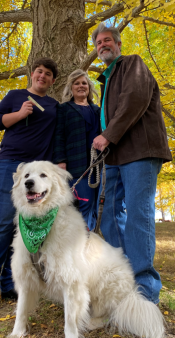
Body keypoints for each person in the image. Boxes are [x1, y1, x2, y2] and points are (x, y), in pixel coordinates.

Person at [91, 23, 172, 305]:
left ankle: (146, 293)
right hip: (113, 157)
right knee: (111, 218)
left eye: (107, 40)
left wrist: (107, 135)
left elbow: (135, 99)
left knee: (138, 216)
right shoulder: (106, 79)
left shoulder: (132, 64)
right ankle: (126, 279)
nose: (103, 45)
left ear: (118, 44)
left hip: (140, 152)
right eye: (99, 43)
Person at [0, 57, 58, 317]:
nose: (42, 76)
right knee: (1, 223)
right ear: (32, 75)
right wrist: (20, 114)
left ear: (53, 80)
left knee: (22, 225)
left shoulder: (54, 106)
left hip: (38, 170)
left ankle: (9, 284)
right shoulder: (15, 96)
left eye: (47, 74)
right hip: (11, 165)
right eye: (39, 72)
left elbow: (59, 138)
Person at [53, 69, 100, 230]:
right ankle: (80, 244)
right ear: (71, 88)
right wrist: (61, 162)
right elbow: (58, 136)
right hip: (75, 166)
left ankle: (89, 243)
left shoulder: (97, 110)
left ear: (89, 87)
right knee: (81, 206)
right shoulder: (64, 108)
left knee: (95, 207)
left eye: (84, 83)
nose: (81, 86)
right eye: (77, 83)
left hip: (97, 167)